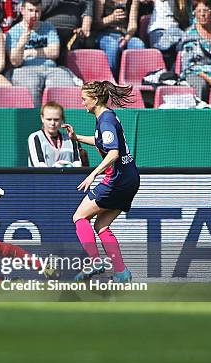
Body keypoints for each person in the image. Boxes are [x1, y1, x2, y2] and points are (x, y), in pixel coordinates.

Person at [61, 80, 140, 283]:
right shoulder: (108, 117)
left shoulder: (105, 120)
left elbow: (113, 153)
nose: (82, 103)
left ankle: (95, 261)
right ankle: (122, 273)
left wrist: (93, 174)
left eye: (84, 99)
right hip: (131, 179)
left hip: (117, 180)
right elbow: (102, 141)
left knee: (79, 217)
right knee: (102, 227)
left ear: (95, 99)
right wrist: (76, 137)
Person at [6, 0, 76, 108]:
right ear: (22, 10)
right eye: (30, 10)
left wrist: (30, 52)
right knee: (31, 89)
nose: (34, 15)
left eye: (37, 11)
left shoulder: (48, 27)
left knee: (66, 88)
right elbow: (15, 61)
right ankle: (35, 121)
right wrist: (21, 44)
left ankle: (62, 122)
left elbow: (55, 52)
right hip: (25, 70)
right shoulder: (13, 32)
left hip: (51, 69)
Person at [178, 0, 211, 101]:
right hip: (197, 73)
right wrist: (209, 79)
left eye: (206, 11)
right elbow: (188, 66)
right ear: (194, 13)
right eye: (199, 11)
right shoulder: (189, 34)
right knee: (200, 84)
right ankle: (200, 112)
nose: (202, 14)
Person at [93, 0, 145, 76]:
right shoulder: (101, 1)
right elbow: (96, 24)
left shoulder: (133, 1)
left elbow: (133, 24)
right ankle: (111, 78)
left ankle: (133, 78)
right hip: (105, 34)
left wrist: (126, 38)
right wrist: (111, 18)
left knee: (138, 44)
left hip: (125, 34)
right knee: (112, 45)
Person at [28, 101, 83, 167]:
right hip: (43, 177)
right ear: (42, 118)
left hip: (68, 176)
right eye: (49, 119)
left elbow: (77, 163)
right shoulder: (35, 137)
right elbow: (39, 166)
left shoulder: (71, 138)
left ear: (62, 119)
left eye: (56, 119)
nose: (52, 123)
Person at [145, 0, 191, 69]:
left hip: (176, 32)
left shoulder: (186, 3)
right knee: (166, 47)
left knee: (187, 48)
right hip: (159, 30)